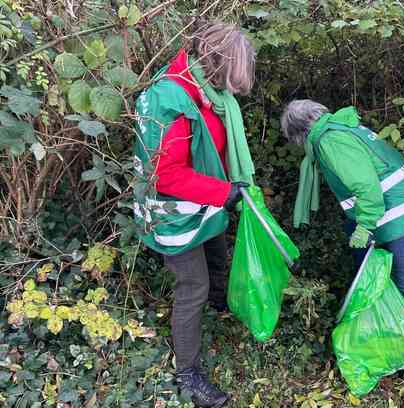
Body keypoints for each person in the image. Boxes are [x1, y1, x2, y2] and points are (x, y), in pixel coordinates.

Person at [281, 100, 404, 404]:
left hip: (396, 211)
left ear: (299, 135)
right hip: (399, 204)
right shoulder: (338, 126)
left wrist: (364, 226)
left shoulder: (330, 141)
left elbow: (366, 187)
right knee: (389, 283)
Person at [132, 23, 256, 408]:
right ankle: (187, 370)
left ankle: (219, 308)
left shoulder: (202, 90)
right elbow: (165, 174)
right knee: (192, 287)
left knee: (218, 255)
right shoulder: (173, 100)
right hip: (174, 213)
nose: (234, 90)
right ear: (217, 63)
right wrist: (223, 192)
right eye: (233, 78)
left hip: (203, 205)